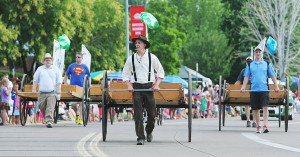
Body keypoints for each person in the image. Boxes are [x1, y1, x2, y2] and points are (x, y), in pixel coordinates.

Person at [122, 35, 165, 145]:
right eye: (136, 43)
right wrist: (129, 85)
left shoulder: (152, 57)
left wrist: (156, 84)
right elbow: (125, 74)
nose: (137, 44)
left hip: (149, 87)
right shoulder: (131, 58)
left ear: (144, 45)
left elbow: (161, 72)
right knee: (138, 114)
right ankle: (140, 137)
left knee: (152, 114)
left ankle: (149, 131)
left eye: (139, 43)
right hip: (136, 87)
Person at [241, 46, 279, 133]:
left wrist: (276, 86)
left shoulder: (266, 63)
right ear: (254, 53)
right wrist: (243, 86)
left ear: (262, 53)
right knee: (255, 109)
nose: (258, 53)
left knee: (265, 107)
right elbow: (246, 77)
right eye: (256, 52)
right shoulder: (250, 65)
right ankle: (258, 126)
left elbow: (272, 75)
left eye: (259, 52)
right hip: (254, 89)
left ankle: (265, 126)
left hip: (264, 89)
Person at [32, 53, 62, 128]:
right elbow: (35, 79)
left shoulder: (55, 69)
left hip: (52, 92)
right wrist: (34, 88)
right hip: (41, 92)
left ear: (51, 61)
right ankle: (47, 117)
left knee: (50, 107)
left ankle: (49, 121)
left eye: (49, 60)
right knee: (41, 107)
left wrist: (58, 88)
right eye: (46, 60)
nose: (48, 61)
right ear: (44, 61)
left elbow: (59, 80)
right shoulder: (40, 69)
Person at [64, 52, 91, 125]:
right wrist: (65, 83)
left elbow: (89, 76)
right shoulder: (71, 66)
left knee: (81, 103)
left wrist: (89, 84)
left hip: (82, 87)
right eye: (76, 57)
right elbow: (66, 75)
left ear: (82, 58)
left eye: (79, 57)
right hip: (73, 87)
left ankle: (81, 118)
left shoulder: (85, 67)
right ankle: (77, 116)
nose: (77, 58)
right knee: (73, 105)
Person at [235, 56, 256, 127]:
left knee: (254, 106)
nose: (249, 62)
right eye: (248, 61)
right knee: (247, 105)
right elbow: (239, 81)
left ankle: (254, 121)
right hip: (246, 89)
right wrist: (233, 87)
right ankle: (248, 120)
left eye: (250, 61)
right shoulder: (243, 71)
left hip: (254, 88)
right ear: (246, 62)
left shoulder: (255, 70)